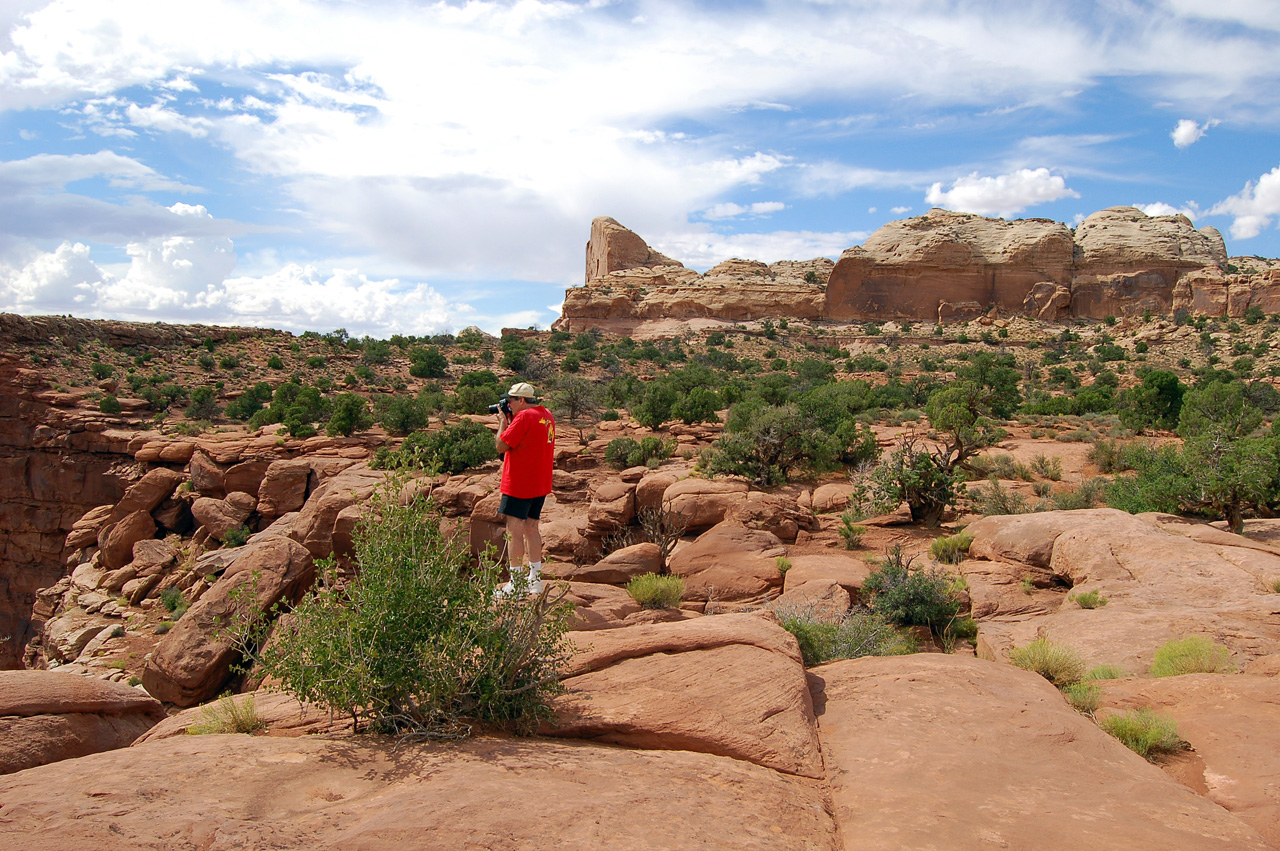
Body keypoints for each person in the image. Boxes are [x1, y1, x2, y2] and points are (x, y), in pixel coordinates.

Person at [494, 381, 555, 596]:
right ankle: (535, 580)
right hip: (539, 483)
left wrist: (503, 422)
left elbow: (501, 446)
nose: (508, 405)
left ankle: (516, 584)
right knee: (532, 528)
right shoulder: (546, 414)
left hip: (519, 483)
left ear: (521, 400)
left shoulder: (522, 417)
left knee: (514, 532)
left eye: (510, 401)